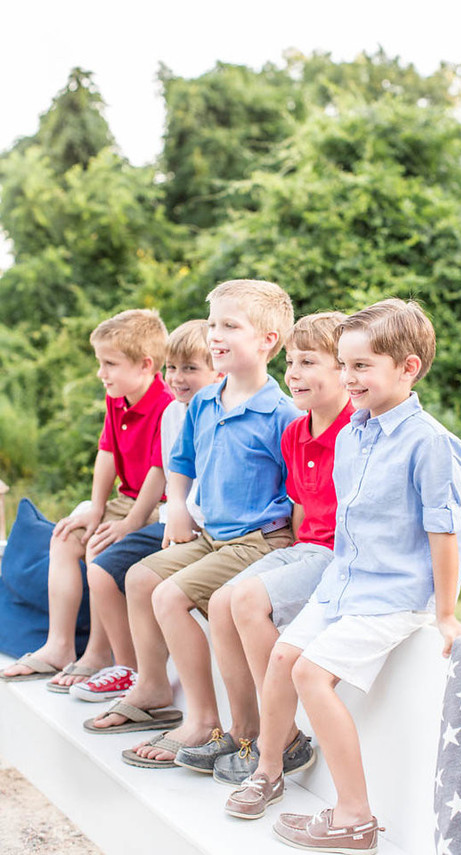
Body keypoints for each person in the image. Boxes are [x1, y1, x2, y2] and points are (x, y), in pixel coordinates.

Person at [224, 298, 461, 855]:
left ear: (408, 368)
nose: (348, 377)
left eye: (362, 366)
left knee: (312, 674)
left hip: (392, 595)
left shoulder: (432, 443)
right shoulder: (353, 432)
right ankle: (269, 770)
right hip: (344, 582)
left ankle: (355, 817)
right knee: (284, 659)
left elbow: (446, 531)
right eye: (344, 364)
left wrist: (448, 614)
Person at [85, 279, 299, 771]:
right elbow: (179, 463)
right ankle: (155, 688)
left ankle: (204, 720)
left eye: (229, 325)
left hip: (258, 541)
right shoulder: (204, 402)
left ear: (267, 340)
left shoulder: (281, 413)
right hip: (211, 536)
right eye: (212, 324)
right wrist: (177, 503)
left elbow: (298, 494)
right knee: (139, 577)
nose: (215, 335)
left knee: (169, 595)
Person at [175, 312, 353, 780]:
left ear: (346, 370)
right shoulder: (296, 431)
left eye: (309, 362)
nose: (293, 373)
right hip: (304, 548)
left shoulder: (358, 431)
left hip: (339, 555)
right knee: (220, 601)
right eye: (291, 362)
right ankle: (244, 730)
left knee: (249, 598)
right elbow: (299, 510)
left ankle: (286, 738)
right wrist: (283, 564)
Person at [0, 309, 173, 688]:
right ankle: (59, 646)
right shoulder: (118, 398)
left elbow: (159, 472)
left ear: (145, 365)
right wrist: (96, 507)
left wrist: (127, 523)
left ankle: (102, 653)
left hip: (157, 508)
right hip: (125, 501)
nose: (101, 373)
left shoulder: (166, 404)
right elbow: (107, 452)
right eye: (101, 363)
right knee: (64, 537)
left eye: (109, 364)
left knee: (99, 549)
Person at [67, 320, 221, 702]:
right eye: (173, 368)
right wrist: (101, 509)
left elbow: (164, 477)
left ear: (218, 369)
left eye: (190, 368)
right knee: (100, 561)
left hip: (198, 528)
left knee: (128, 573)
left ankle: (141, 675)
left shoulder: (205, 411)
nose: (178, 378)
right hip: (174, 519)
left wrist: (135, 522)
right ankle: (127, 668)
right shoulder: (176, 414)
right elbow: (175, 474)